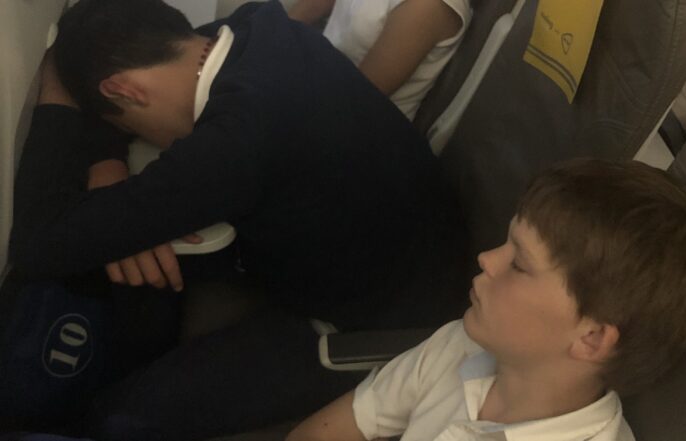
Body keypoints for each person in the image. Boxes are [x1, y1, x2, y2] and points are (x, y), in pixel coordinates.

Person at [10, 0, 468, 438]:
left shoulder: (234, 144)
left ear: (124, 91)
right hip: (387, 242)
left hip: (377, 322)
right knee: (133, 273)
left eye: (126, 124)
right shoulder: (257, 27)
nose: (132, 134)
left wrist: (56, 92)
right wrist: (107, 168)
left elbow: (36, 245)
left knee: (119, 420)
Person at [288, 159, 686, 441]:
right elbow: (326, 431)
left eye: (519, 264)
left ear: (591, 338)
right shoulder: (463, 346)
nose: (487, 259)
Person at [288, 0, 472, 120]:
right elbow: (308, 10)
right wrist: (279, 31)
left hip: (358, 128)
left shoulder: (429, 6)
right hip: (320, 79)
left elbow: (355, 101)